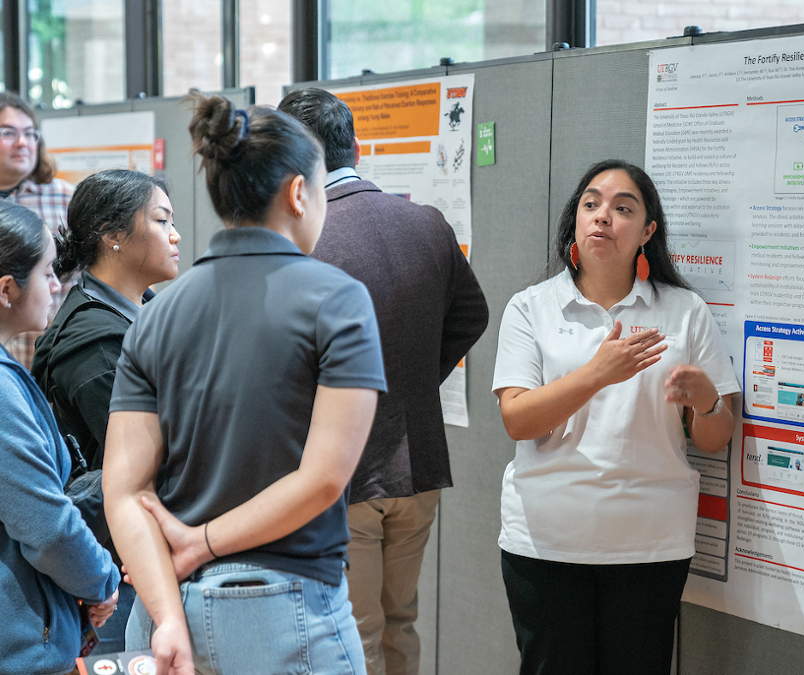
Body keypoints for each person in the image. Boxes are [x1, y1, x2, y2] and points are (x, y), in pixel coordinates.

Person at [103, 92, 386, 675]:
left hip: (165, 609)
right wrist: (200, 542)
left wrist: (169, 619)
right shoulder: (338, 300)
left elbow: (125, 492)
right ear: (298, 193)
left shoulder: (157, 311)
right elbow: (324, 477)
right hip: (286, 612)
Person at [491, 160, 740, 675]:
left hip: (650, 544)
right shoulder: (531, 307)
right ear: (576, 222)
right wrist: (598, 373)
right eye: (591, 204)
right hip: (546, 541)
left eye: (623, 208)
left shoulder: (684, 311)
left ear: (647, 231)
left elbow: (716, 437)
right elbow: (517, 420)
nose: (603, 216)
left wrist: (706, 400)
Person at [277, 87, 489, 675]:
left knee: (354, 633)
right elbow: (472, 315)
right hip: (418, 465)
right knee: (401, 623)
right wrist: (417, 378)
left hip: (339, 471)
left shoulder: (302, 240)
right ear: (357, 148)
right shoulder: (426, 222)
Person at [31, 169, 180, 654]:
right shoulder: (92, 342)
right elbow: (156, 455)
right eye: (161, 221)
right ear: (114, 237)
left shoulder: (137, 312)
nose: (175, 235)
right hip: (114, 569)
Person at [0, 201, 120, 675]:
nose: (56, 286)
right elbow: (45, 525)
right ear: (7, 288)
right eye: (48, 272)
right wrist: (101, 579)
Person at [0, 92, 75, 370]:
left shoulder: (66, 200)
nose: (22, 142)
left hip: (53, 362)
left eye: (30, 133)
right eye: (8, 132)